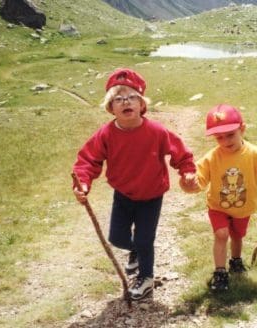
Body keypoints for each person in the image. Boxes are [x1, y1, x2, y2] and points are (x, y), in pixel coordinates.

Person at [72, 68, 196, 300]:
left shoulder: (156, 131)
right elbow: (88, 160)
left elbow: (181, 153)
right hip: (124, 195)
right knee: (117, 237)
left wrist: (187, 171)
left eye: (131, 97)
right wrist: (83, 184)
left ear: (142, 104)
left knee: (144, 239)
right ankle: (136, 252)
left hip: (152, 195)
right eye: (118, 99)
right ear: (111, 108)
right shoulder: (106, 134)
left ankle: (146, 277)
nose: (125, 102)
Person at [180, 104, 257, 291]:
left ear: (242, 129)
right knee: (221, 234)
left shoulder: (254, 154)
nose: (225, 141)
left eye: (230, 134)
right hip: (218, 205)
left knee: (237, 235)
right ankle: (220, 272)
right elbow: (199, 179)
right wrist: (189, 184)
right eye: (219, 137)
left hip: (244, 206)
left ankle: (235, 260)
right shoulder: (212, 157)